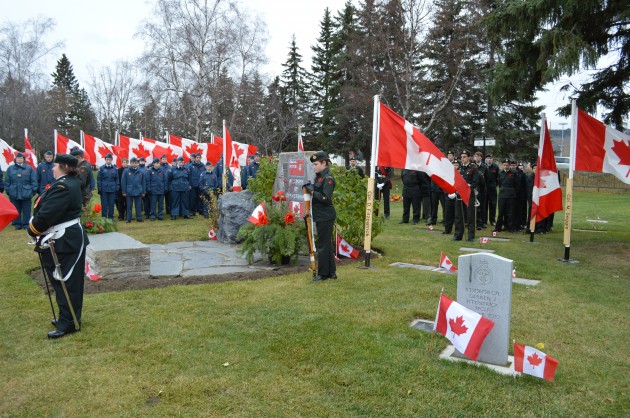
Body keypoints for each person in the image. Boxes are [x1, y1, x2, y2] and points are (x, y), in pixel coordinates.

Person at [28, 153, 89, 339]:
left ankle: (68, 322)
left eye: (55, 165)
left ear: (63, 167)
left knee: (66, 281)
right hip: (64, 237)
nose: (52, 168)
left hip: (65, 240)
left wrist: (33, 228)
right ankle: (67, 316)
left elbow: (47, 214)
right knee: (61, 280)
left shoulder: (63, 186)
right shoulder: (68, 183)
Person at [304, 151, 336, 282]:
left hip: (325, 215)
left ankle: (323, 274)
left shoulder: (328, 178)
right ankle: (331, 272)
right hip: (321, 215)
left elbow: (325, 198)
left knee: (322, 245)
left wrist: (312, 191)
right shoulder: (319, 177)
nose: (314, 167)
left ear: (324, 163)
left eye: (316, 164)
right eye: (313, 165)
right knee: (326, 244)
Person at [6, 152, 37, 229]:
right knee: (16, 209)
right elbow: (7, 181)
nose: (19, 159)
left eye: (21, 158)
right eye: (18, 158)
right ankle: (17, 224)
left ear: (23, 159)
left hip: (26, 193)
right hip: (14, 192)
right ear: (15, 159)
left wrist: (32, 191)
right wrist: (8, 191)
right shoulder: (10, 169)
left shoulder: (29, 168)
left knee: (26, 210)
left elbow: (34, 181)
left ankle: (26, 224)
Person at [453, 150, 478, 241]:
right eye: (461, 157)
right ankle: (458, 235)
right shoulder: (459, 169)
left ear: (469, 158)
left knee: (470, 216)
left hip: (468, 195)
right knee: (459, 216)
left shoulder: (473, 168)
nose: (462, 159)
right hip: (459, 195)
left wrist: (468, 187)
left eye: (464, 157)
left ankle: (471, 236)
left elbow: (475, 182)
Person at [494, 159, 517, 233]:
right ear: (502, 165)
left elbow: (517, 184)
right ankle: (498, 227)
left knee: (510, 212)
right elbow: (499, 183)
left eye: (507, 165)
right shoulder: (500, 173)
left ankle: (511, 227)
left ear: (509, 165)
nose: (506, 166)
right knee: (501, 212)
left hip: (511, 195)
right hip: (502, 195)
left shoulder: (514, 173)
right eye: (504, 165)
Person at [121, 157, 145, 223]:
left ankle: (139, 218)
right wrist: (124, 191)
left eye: (135, 163)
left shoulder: (141, 171)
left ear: (137, 163)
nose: (134, 164)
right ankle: (129, 219)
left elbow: (143, 182)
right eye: (132, 163)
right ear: (130, 163)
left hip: (138, 191)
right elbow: (123, 182)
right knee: (129, 206)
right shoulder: (126, 171)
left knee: (138, 206)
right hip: (129, 191)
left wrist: (143, 191)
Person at [97, 154, 119, 219]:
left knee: (111, 204)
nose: (108, 161)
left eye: (110, 159)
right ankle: (104, 217)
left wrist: (117, 187)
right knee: (104, 204)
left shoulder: (115, 168)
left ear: (112, 160)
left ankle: (110, 217)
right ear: (105, 160)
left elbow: (117, 179)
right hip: (104, 189)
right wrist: (100, 188)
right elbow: (99, 179)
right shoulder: (101, 168)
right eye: (107, 159)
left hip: (112, 189)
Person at [442, 159, 459, 235]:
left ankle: (457, 230)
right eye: (454, 165)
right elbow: (445, 184)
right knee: (448, 214)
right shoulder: (448, 174)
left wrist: (456, 193)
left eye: (457, 165)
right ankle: (447, 229)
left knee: (457, 215)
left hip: (457, 197)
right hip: (449, 196)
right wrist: (448, 193)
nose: (455, 166)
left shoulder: (461, 174)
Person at [474, 151, 488, 229]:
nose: (477, 158)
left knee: (482, 207)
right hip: (474, 189)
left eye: (478, 156)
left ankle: (481, 223)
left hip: (482, 190)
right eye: (476, 156)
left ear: (481, 158)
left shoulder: (484, 167)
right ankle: (474, 222)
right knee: (474, 207)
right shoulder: (472, 166)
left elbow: (487, 179)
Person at [485, 154, 499, 226]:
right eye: (488, 158)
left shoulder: (495, 167)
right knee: (484, 205)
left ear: (492, 159)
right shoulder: (483, 167)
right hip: (484, 189)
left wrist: (494, 185)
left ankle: (492, 220)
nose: (489, 159)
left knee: (493, 205)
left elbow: (497, 178)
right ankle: (484, 221)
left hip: (492, 189)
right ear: (485, 159)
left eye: (490, 158)